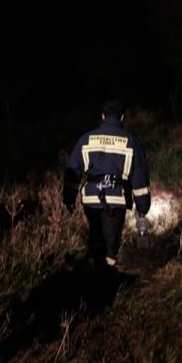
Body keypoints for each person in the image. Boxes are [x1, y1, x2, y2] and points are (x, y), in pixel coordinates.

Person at [62, 99, 151, 269]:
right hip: (116, 200)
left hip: (90, 200)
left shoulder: (86, 139)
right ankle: (105, 278)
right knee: (110, 244)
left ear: (103, 116)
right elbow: (140, 178)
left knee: (96, 237)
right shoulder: (131, 142)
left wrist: (68, 198)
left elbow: (73, 170)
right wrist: (143, 207)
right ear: (122, 117)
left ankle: (94, 275)